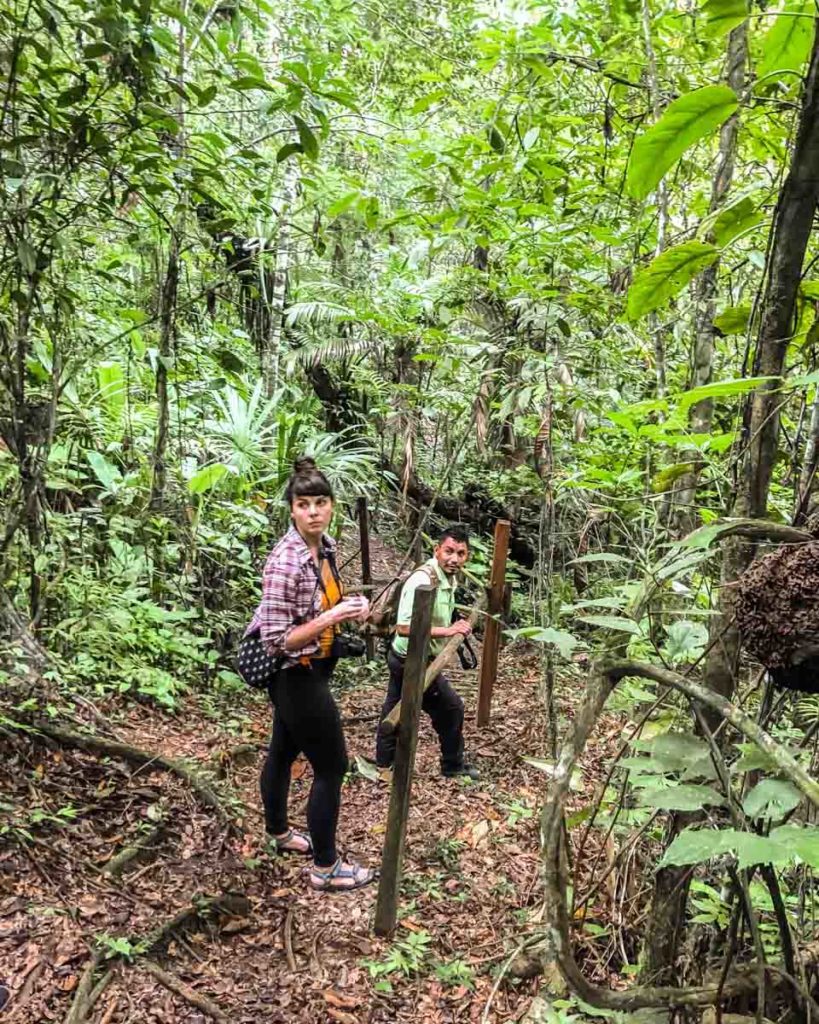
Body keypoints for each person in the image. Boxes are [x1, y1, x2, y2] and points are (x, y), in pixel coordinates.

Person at [244, 457, 376, 892]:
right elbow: (278, 639)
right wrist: (332, 617)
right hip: (292, 672)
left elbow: (322, 604)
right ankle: (325, 866)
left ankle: (279, 833)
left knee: (282, 751)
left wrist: (348, 612)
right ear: (292, 510)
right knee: (332, 765)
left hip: (314, 668)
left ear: (331, 506)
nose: (314, 511)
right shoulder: (284, 562)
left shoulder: (327, 547)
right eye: (304, 504)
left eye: (321, 502)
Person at [374, 525, 480, 780]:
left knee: (394, 708)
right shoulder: (423, 580)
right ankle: (452, 765)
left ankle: (384, 765)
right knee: (450, 707)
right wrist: (448, 631)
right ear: (437, 550)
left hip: (410, 656)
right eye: (449, 551)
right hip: (410, 659)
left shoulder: (447, 577)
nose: (454, 559)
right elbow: (404, 627)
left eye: (461, 553)